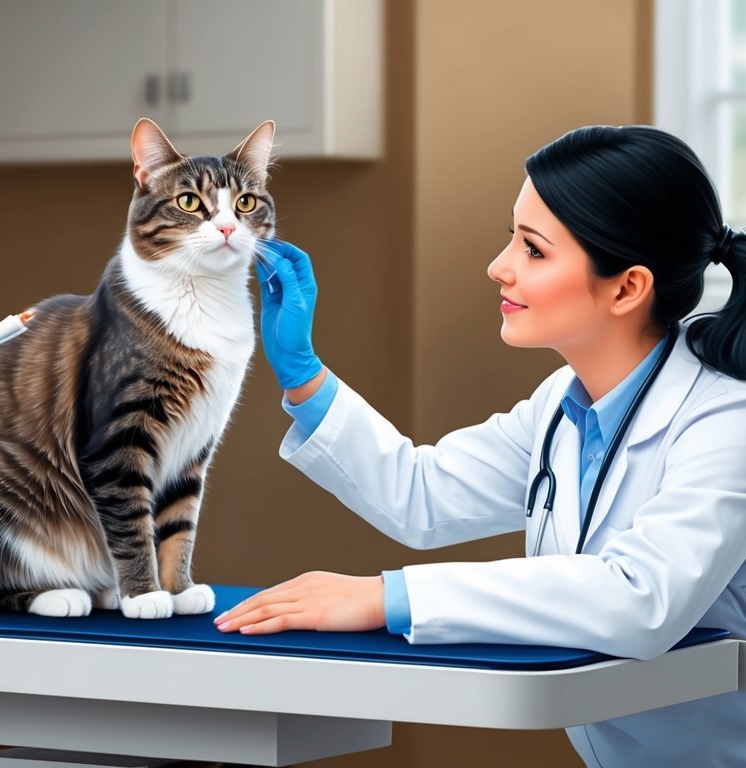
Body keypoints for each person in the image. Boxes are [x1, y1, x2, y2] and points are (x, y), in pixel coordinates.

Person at [216, 125, 746, 767]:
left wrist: (386, 597)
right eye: (511, 238)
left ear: (627, 288)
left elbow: (642, 596)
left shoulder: (726, 415)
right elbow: (423, 496)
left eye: (534, 249)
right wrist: (303, 373)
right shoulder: (562, 402)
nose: (500, 267)